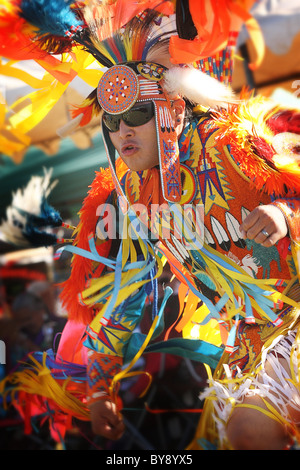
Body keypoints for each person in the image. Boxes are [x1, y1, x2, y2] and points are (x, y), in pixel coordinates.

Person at [1, 0, 300, 450]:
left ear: (173, 111)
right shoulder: (130, 197)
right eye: (113, 120)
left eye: (138, 114)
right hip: (244, 348)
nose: (124, 132)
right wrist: (100, 390)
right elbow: (126, 299)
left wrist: (287, 214)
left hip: (293, 322)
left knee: (250, 434)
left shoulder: (233, 148)